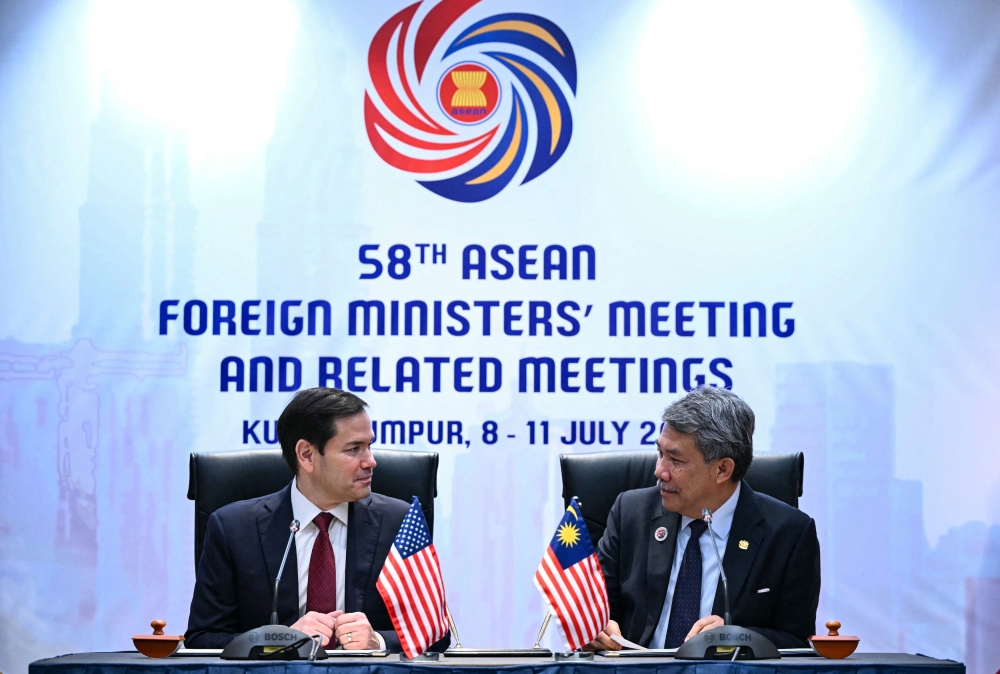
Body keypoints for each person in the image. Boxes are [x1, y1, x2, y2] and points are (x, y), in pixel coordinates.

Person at [185, 387, 449, 652]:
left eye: (369, 446)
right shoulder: (234, 529)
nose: (371, 461)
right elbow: (203, 638)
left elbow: (435, 634)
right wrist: (279, 640)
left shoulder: (400, 522)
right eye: (354, 449)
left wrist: (378, 641)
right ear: (307, 455)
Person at [587, 386, 820, 651]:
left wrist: (738, 637)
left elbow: (797, 643)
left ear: (722, 469)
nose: (660, 471)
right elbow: (596, 610)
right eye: (660, 453)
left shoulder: (788, 534)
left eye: (675, 460)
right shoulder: (630, 513)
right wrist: (597, 628)